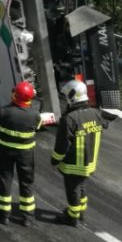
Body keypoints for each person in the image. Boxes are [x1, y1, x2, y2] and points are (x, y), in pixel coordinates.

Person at [0, 81, 44, 226]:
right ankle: (28, 217)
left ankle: (4, 215)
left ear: (15, 96)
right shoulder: (35, 116)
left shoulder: (5, 112)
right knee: (26, 183)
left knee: (5, 180)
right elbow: (37, 126)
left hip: (6, 152)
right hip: (26, 154)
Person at [51, 78, 107, 226]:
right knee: (81, 186)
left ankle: (72, 217)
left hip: (73, 163)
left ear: (72, 96)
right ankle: (80, 212)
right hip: (89, 162)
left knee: (73, 189)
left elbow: (62, 145)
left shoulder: (70, 119)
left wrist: (55, 160)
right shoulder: (96, 113)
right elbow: (105, 123)